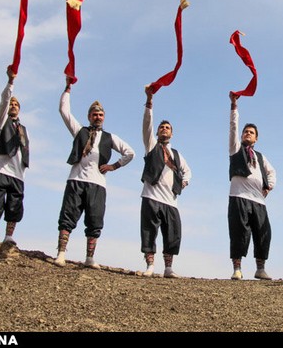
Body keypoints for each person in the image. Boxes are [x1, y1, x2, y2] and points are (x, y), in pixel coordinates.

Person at [54, 77, 135, 269]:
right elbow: (64, 111)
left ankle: (89, 258)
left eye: (100, 114)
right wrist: (67, 88)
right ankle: (61, 254)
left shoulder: (109, 137)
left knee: (95, 219)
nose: (98, 117)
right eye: (94, 114)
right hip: (76, 180)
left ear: (103, 117)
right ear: (89, 116)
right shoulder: (79, 131)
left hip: (98, 184)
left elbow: (130, 152)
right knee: (68, 216)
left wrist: (114, 166)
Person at [140, 87, 191, 278]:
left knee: (172, 234)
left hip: (171, 200)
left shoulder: (177, 154)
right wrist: (149, 102)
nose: (164, 129)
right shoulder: (151, 145)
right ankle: (150, 266)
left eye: (167, 128)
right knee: (149, 232)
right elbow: (147, 125)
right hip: (151, 197)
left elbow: (188, 172)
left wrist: (184, 182)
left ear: (172, 133)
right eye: (162, 127)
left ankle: (168, 268)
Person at [228, 92, 276, 280]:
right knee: (238, 233)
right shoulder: (235, 149)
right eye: (245, 132)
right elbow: (233, 127)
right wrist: (234, 106)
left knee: (264, 233)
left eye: (251, 132)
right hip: (239, 197)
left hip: (259, 200)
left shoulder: (261, 157)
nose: (247, 133)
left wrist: (269, 187)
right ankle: (237, 269)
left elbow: (272, 172)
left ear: (256, 139)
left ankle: (260, 269)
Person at [0, 67, 30, 245]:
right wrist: (11, 82)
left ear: (20, 109)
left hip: (17, 174)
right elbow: (4, 101)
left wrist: (24, 171)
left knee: (14, 205)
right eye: (11, 104)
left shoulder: (24, 129)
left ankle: (9, 236)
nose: (13, 106)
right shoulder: (2, 121)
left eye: (16, 105)